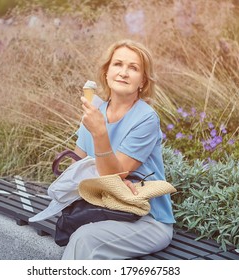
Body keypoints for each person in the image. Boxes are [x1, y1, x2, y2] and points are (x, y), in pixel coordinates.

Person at [61, 39, 175, 260]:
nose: (123, 72)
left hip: (147, 219)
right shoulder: (95, 113)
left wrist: (100, 133)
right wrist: (103, 180)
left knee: (85, 240)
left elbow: (115, 174)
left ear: (142, 80)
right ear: (106, 72)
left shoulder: (146, 118)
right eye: (118, 64)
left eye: (133, 68)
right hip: (103, 209)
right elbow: (74, 171)